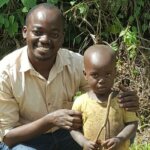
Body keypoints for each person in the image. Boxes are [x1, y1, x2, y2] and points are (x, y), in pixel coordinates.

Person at [0, 3, 139, 150]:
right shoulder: (6, 73)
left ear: (62, 37)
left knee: (117, 130)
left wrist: (125, 101)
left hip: (69, 134)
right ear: (25, 32)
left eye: (54, 34)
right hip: (28, 140)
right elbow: (7, 138)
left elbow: (101, 94)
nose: (45, 39)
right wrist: (50, 120)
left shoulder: (77, 63)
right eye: (38, 32)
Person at [70, 44, 138, 150]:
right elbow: (74, 129)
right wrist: (84, 142)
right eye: (95, 75)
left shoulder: (122, 100)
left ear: (115, 73)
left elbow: (132, 123)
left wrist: (120, 139)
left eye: (107, 74)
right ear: (85, 74)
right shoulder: (81, 102)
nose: (102, 80)